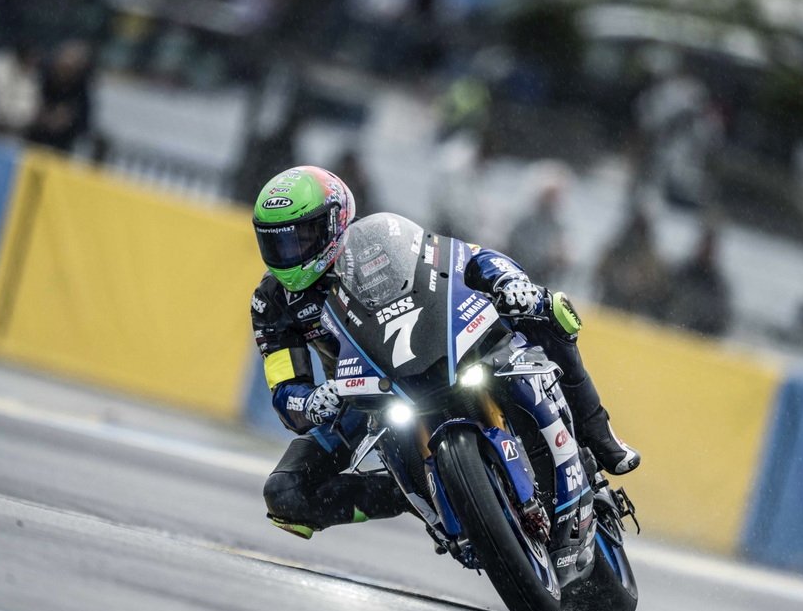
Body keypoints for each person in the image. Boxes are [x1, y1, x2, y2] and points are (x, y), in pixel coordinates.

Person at [249, 166, 640, 539]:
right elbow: (285, 391)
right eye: (276, 242)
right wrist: (312, 402)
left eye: (301, 237)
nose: (290, 253)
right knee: (285, 495)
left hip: (442, 342)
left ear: (334, 222)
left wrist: (508, 282)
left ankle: (598, 433)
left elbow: (466, 257)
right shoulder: (271, 303)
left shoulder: (381, 235)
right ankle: (418, 495)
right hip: (363, 396)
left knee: (550, 311)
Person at [666, 224, 732, 337]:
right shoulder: (680, 274)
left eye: (710, 247)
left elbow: (720, 322)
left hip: (695, 339)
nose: (706, 250)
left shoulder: (718, 287)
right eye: (704, 245)